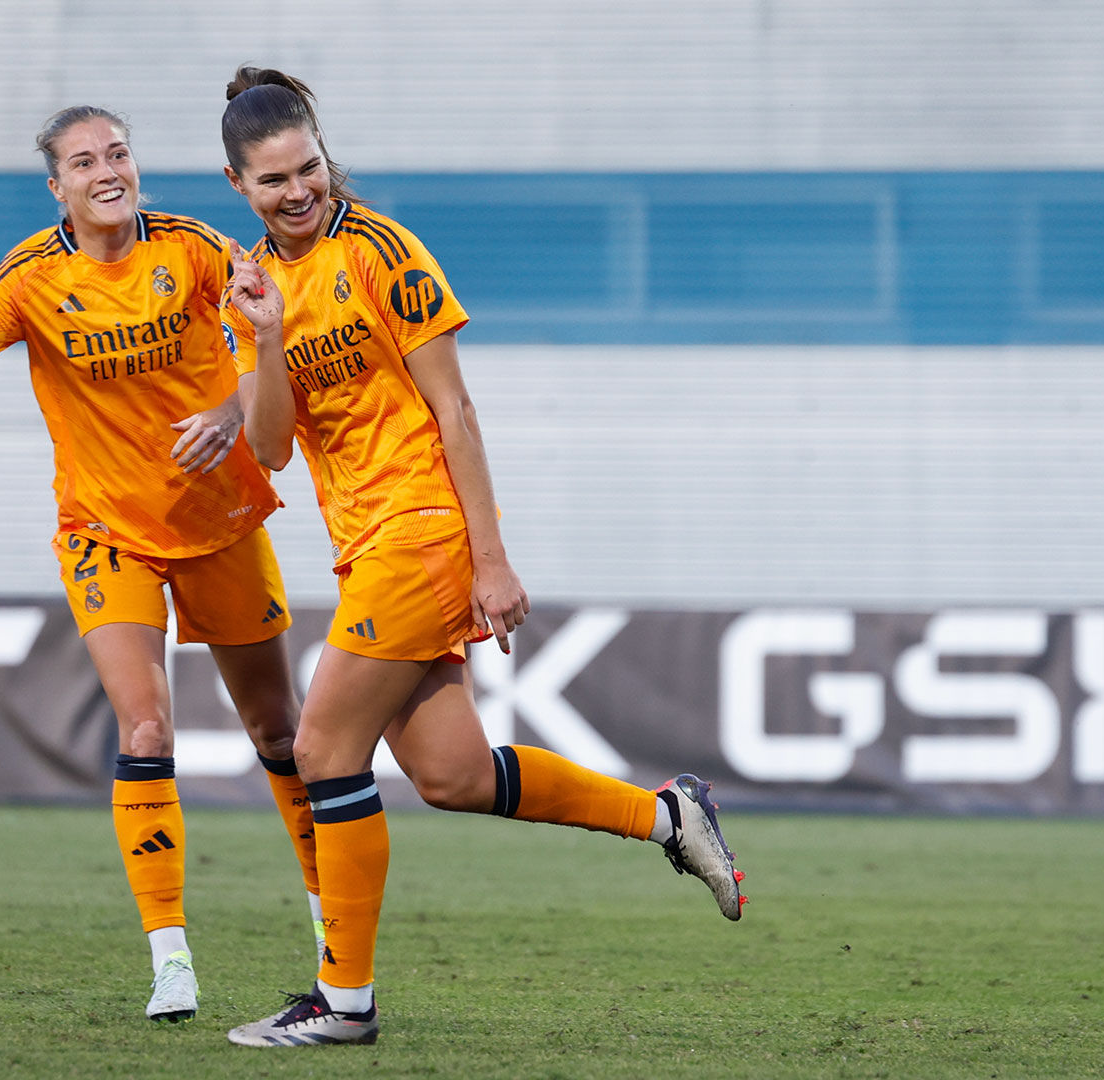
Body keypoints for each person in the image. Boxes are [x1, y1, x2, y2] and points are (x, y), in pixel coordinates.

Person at [215, 68, 746, 1048]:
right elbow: (276, 446)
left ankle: (344, 1003)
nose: (298, 192)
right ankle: (669, 817)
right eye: (274, 180)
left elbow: (456, 411)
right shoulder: (248, 285)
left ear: (325, 156)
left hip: (418, 536)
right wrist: (271, 336)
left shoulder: (384, 252)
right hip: (363, 545)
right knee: (453, 774)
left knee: (325, 751)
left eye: (310, 168)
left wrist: (492, 559)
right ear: (237, 184)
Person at [0, 105, 321, 1024]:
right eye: (85, 160)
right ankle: (169, 957)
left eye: (119, 153)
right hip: (105, 533)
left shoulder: (197, 248)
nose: (108, 169)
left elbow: (273, 343)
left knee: (282, 736)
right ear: (55, 186)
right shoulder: (24, 278)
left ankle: (333, 926)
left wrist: (229, 412)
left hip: (220, 520)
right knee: (145, 734)